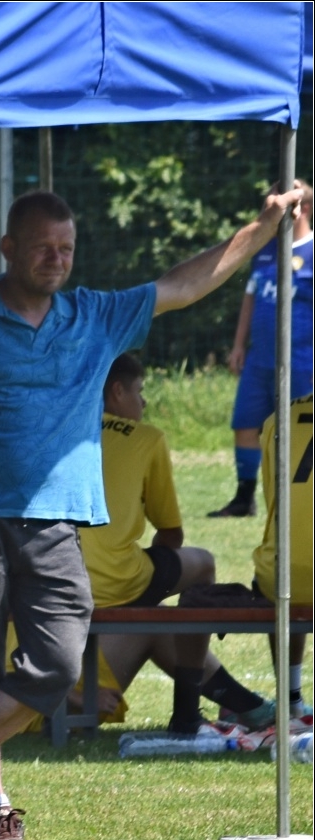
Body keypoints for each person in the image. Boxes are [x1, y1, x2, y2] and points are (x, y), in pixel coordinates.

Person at [0, 185, 304, 840]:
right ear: (9, 249)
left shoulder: (95, 316)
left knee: (57, 664)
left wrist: (263, 227)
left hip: (59, 523)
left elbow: (186, 285)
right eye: (42, 248)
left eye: (66, 249)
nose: (56, 260)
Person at [76, 355, 270, 734]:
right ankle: (192, 713)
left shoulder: (58, 432)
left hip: (57, 581)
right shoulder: (145, 437)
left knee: (155, 615)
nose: (144, 402)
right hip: (114, 580)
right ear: (117, 392)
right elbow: (171, 534)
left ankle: (245, 706)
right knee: (196, 570)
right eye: (140, 391)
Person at [214, 180, 311, 517]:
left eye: (279, 203)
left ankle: (300, 499)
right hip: (260, 358)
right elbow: (251, 297)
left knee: (301, 427)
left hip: (303, 360)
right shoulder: (266, 250)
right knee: (245, 423)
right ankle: (244, 498)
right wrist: (238, 345)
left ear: (303, 208)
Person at [251, 394, 314, 716]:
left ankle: (290, 697)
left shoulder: (277, 419)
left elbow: (273, 498)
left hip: (282, 574)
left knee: (289, 562)